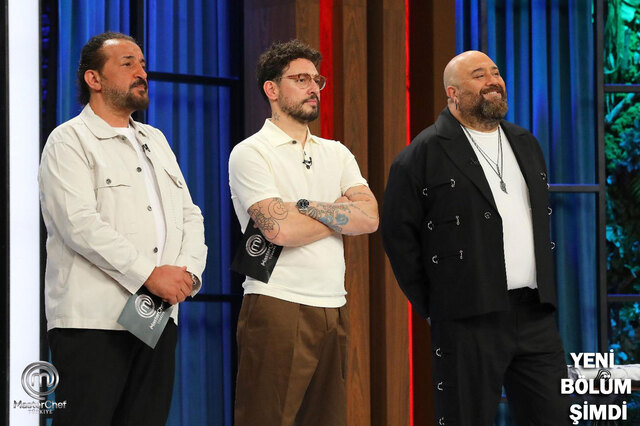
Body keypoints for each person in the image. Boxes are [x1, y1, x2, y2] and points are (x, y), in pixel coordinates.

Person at [381, 50, 569, 425]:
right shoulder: (422, 153)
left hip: (534, 314)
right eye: (479, 75)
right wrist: (437, 304)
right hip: (467, 319)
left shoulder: (525, 142)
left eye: (495, 73)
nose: (493, 81)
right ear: (452, 93)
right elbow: (398, 238)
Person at [38, 32, 207, 425]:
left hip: (157, 316)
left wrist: (187, 275)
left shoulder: (155, 140)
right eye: (128, 63)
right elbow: (79, 224)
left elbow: (190, 214)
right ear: (93, 79)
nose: (141, 72)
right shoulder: (69, 140)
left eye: (143, 64)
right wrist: (150, 275)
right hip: (92, 322)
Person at [228, 39, 378, 426]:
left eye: (317, 80)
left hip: (334, 304)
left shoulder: (337, 152)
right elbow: (278, 229)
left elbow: (370, 218)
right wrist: (337, 209)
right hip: (277, 301)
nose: (313, 88)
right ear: (272, 89)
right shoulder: (251, 152)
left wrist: (305, 206)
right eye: (301, 79)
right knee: (266, 418)